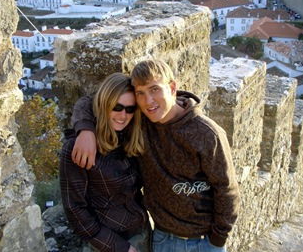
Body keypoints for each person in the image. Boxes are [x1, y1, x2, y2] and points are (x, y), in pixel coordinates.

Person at [71, 59, 240, 252]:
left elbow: (226, 190)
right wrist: (84, 129)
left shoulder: (207, 133)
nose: (148, 101)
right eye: (140, 93)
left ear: (172, 87)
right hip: (161, 239)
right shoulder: (139, 122)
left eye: (154, 89)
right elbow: (91, 101)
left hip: (202, 242)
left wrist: (217, 239)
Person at [59, 73, 150, 252]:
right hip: (109, 244)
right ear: (104, 104)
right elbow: (75, 210)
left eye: (130, 109)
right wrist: (120, 248)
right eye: (117, 107)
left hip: (143, 232)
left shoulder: (130, 137)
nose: (123, 116)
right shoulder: (76, 149)